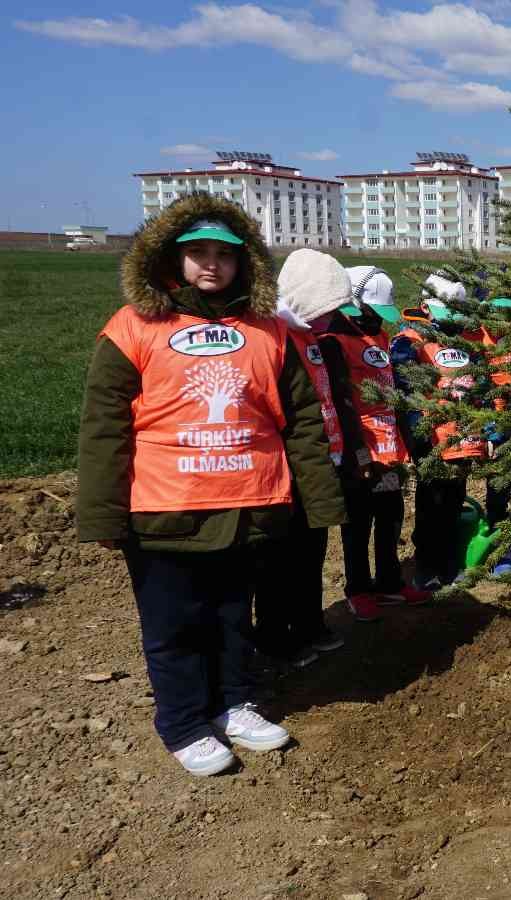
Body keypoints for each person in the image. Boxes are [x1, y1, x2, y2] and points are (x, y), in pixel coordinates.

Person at [75, 195, 343, 776]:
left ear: (245, 263)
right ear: (170, 259)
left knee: (231, 615)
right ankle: (183, 722)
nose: (211, 265)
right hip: (163, 511)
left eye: (225, 254)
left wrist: (319, 499)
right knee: (174, 625)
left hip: (248, 506)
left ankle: (234, 703)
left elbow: (299, 419)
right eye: (197, 252)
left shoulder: (269, 331)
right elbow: (104, 426)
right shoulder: (133, 328)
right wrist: (100, 514)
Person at [255, 249, 357, 667]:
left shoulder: (314, 339)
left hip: (321, 463)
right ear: (302, 299)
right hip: (286, 469)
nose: (330, 318)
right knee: (279, 560)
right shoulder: (274, 339)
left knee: (312, 552)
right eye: (325, 308)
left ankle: (310, 622)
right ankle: (276, 636)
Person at [391, 288, 493, 593]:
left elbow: (481, 386)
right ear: (425, 306)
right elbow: (406, 392)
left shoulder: (465, 342)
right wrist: (418, 437)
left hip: (463, 439)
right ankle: (426, 565)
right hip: (431, 440)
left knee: (452, 501)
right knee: (430, 504)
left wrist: (484, 431)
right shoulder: (409, 342)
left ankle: (450, 563)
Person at [330, 267, 412, 616]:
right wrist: (359, 455)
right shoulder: (335, 341)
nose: (379, 317)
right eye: (373, 309)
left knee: (391, 515)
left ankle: (390, 583)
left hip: (389, 451)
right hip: (361, 455)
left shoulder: (379, 336)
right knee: (358, 521)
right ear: (354, 300)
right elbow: (343, 405)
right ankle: (359, 588)